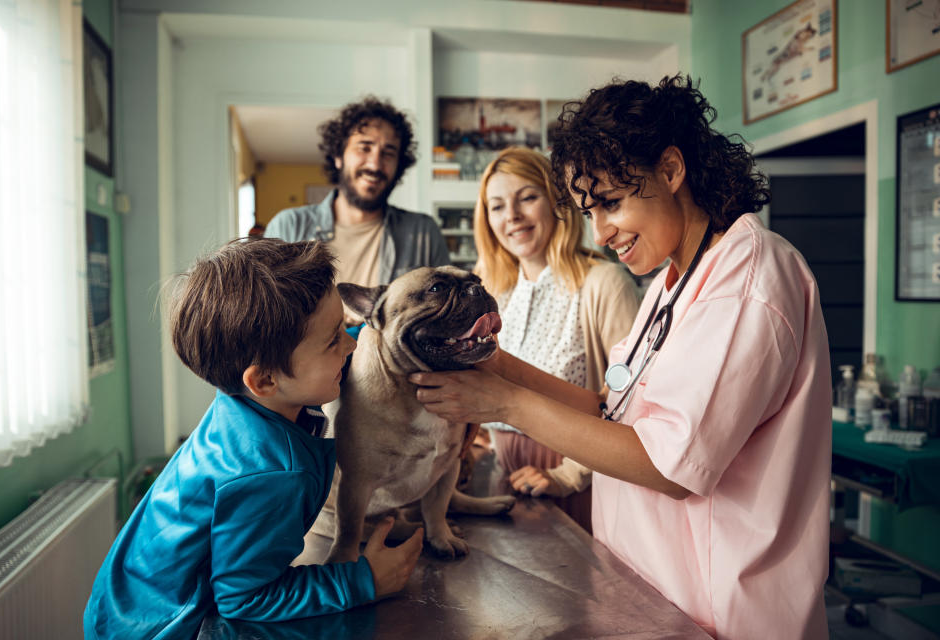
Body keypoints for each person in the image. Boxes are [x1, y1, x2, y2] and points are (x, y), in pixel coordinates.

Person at [409, 75, 831, 640]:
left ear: (672, 170)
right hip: (655, 593)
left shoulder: (747, 278)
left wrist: (505, 399)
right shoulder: (672, 280)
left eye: (610, 203)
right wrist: (500, 366)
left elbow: (667, 466)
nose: (601, 231)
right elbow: (612, 411)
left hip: (723, 611)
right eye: (589, 210)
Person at [84, 239, 423, 639]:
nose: (351, 343)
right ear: (263, 379)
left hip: (121, 605)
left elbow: (313, 355)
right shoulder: (271, 473)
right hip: (166, 628)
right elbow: (244, 599)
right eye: (335, 338)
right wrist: (364, 581)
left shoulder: (244, 399)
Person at [471, 147, 640, 532]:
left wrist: (568, 475)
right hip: (506, 479)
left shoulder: (603, 283)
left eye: (527, 198)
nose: (511, 216)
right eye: (497, 206)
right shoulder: (491, 289)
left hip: (578, 483)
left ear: (556, 202)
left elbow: (630, 403)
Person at [264, 96, 450, 325]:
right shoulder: (288, 227)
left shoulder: (423, 232)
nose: (374, 164)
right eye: (364, 148)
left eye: (388, 152)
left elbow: (444, 317)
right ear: (338, 156)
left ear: (399, 166)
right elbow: (266, 319)